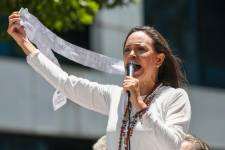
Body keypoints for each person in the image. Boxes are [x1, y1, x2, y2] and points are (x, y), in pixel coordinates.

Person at [7, 11, 191, 150]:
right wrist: (24, 42)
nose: (132, 55)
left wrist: (141, 105)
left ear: (159, 59)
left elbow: (173, 144)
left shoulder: (174, 97)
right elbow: (66, 83)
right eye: (127, 50)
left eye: (140, 49)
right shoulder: (115, 96)